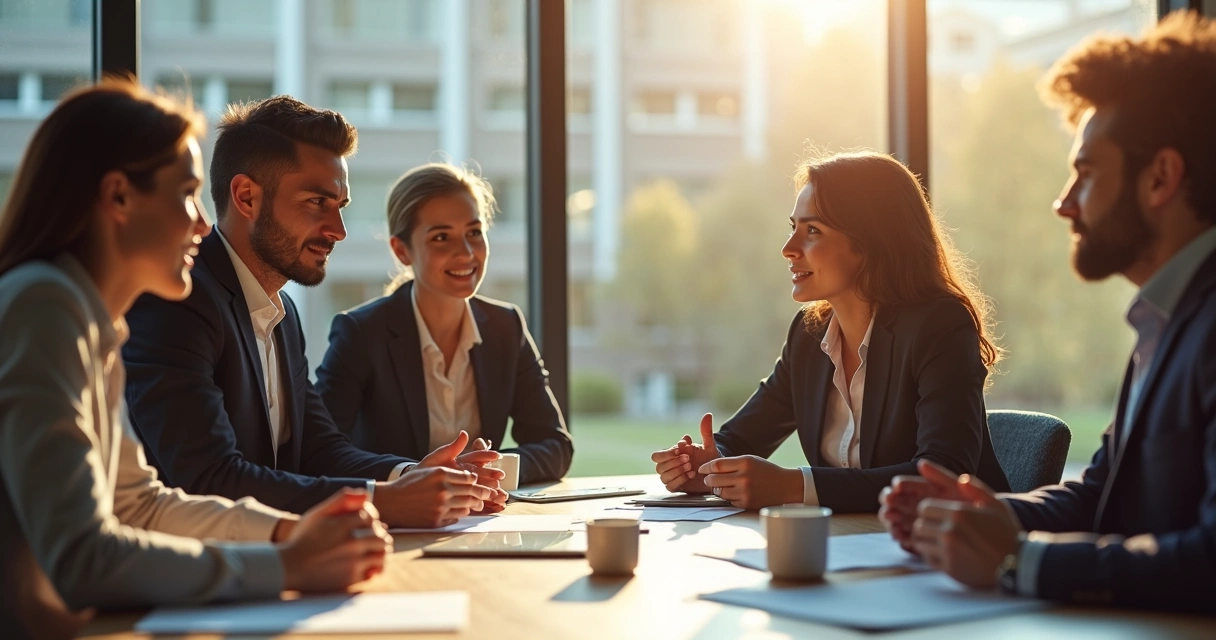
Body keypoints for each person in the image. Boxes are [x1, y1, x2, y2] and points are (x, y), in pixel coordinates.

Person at [0, 79, 393, 640]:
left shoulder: (95, 320)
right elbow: (83, 558)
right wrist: (286, 564)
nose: (201, 222)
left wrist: (289, 538)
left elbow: (140, 506)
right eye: (185, 193)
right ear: (118, 197)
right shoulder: (44, 304)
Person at [879, 12, 1216, 612]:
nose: (1064, 204)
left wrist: (1018, 561)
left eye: (1085, 174)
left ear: (1160, 178)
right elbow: (1100, 494)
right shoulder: (1166, 321)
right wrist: (981, 514)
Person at [122, 96, 506, 529]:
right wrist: (386, 501)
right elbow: (209, 479)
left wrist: (412, 475)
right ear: (246, 197)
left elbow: (319, 450)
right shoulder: (178, 303)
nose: (338, 231)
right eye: (316, 203)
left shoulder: (283, 313)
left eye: (339, 207)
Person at [650, 151, 1009, 513]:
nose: (789, 249)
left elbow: (943, 473)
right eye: (793, 228)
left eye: (813, 231)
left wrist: (794, 485)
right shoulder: (809, 334)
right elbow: (741, 438)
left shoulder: (939, 325)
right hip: (854, 547)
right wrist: (708, 467)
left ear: (870, 243)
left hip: (958, 551)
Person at [315, 163, 573, 484]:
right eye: (441, 237)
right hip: (394, 523)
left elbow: (555, 445)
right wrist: (412, 474)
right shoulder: (360, 332)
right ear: (401, 251)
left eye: (474, 233)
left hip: (480, 521)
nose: (465, 253)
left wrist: (486, 469)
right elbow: (320, 451)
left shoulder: (506, 327)